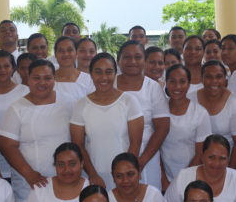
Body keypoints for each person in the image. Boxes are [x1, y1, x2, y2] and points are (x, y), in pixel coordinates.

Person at [0, 60, 75, 202]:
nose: (42, 83)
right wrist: (30, 175)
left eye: (47, 78)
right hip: (29, 187)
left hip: (66, 183)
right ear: (28, 78)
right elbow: (7, 146)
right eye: (36, 78)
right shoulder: (16, 109)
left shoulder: (69, 102)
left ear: (54, 79)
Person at [70, 53, 144, 188]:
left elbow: (136, 142)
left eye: (109, 72)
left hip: (125, 179)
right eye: (98, 72)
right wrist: (93, 175)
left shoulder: (129, 101)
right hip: (94, 176)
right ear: (91, 74)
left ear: (115, 73)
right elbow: (78, 145)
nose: (104, 77)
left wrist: (125, 174)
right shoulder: (80, 105)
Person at [115, 40, 169, 190]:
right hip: (112, 153)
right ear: (118, 61)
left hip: (146, 156)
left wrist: (141, 161)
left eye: (138, 57)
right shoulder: (109, 84)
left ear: (144, 61)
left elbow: (162, 127)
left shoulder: (152, 88)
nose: (132, 61)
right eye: (127, 57)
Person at [189, 61, 236, 170]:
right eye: (208, 77)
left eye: (219, 76)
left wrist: (229, 173)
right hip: (194, 161)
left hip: (223, 163)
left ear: (225, 79)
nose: (214, 81)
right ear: (201, 78)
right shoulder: (190, 99)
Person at [0, 50, 29, 181]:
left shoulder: (25, 91)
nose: (2, 70)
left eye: (6, 66)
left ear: (13, 68)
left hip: (21, 155)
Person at [161, 64, 211, 183]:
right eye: (172, 81)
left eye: (182, 82)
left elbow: (201, 153)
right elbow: (155, 149)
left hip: (192, 177)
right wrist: (163, 179)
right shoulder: (160, 112)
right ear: (166, 83)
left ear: (189, 84)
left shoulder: (200, 113)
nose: (177, 86)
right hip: (164, 178)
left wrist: (184, 180)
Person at [54, 36, 94, 101]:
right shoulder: (47, 80)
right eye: (61, 51)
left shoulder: (88, 80)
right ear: (55, 54)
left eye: (70, 50)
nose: (65, 54)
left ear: (76, 53)